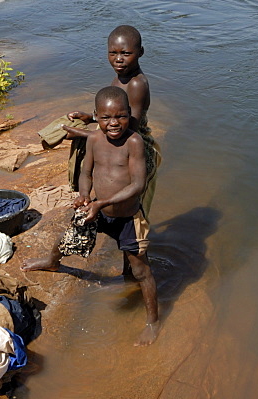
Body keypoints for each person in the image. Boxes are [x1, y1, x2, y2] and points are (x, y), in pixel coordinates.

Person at [22, 87, 160, 346]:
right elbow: (86, 173)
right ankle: (52, 262)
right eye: (106, 117)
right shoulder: (95, 139)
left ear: (130, 115)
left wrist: (102, 202)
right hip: (98, 209)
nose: (114, 123)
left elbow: (138, 185)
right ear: (96, 116)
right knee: (68, 237)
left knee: (141, 271)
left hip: (127, 217)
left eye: (120, 116)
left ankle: (152, 320)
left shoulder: (134, 142)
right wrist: (85, 195)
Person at [64, 25, 161, 215]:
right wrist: (91, 118)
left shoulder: (136, 84)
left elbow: (127, 128)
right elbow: (118, 114)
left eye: (126, 53)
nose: (118, 59)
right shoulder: (121, 76)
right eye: (113, 53)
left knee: (133, 207)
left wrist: (84, 133)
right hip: (119, 137)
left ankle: (134, 237)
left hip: (136, 147)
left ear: (140, 52)